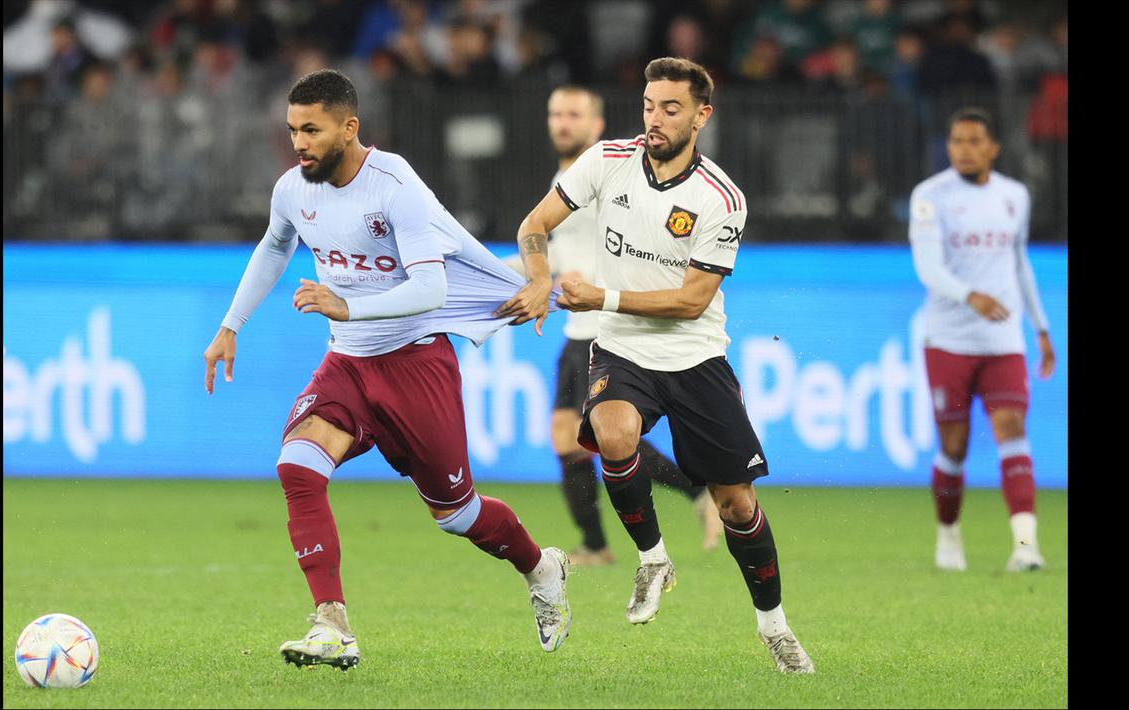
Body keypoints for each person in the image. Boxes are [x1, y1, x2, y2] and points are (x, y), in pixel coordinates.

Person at [203, 69, 571, 671]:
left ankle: (542, 567)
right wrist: (230, 325)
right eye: (293, 129)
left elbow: (432, 286)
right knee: (297, 464)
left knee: (458, 515)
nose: (299, 143)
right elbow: (275, 246)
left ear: (350, 127)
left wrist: (348, 303)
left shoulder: (396, 186)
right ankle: (331, 623)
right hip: (346, 363)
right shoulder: (293, 189)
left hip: (415, 365)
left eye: (312, 130)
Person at [498, 57, 815, 674]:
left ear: (702, 116)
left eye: (671, 109)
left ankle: (774, 627)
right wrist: (539, 280)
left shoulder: (722, 198)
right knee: (611, 435)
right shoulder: (606, 160)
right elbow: (534, 225)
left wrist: (602, 296)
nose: (655, 119)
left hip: (695, 357)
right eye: (648, 105)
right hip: (620, 347)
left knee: (737, 507)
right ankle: (652, 559)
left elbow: (692, 301)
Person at [515, 84, 724, 566]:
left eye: (574, 114)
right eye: (556, 113)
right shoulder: (564, 179)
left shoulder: (610, 175)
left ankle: (686, 497)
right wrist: (520, 275)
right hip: (575, 329)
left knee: (599, 436)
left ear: (597, 126)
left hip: (605, 328)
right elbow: (554, 251)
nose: (563, 123)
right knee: (572, 438)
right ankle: (601, 541)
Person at [908, 107, 1055, 573]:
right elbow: (928, 267)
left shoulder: (1015, 195)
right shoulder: (930, 196)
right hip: (948, 338)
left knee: (1012, 429)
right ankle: (949, 536)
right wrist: (970, 296)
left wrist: (1042, 327)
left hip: (1003, 338)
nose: (963, 150)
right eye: (956, 141)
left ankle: (1026, 545)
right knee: (954, 446)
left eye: (974, 141)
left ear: (993, 147)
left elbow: (1020, 263)